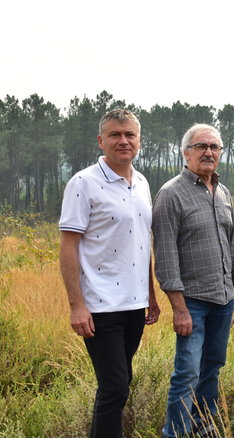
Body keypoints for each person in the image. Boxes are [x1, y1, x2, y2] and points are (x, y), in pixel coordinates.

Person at [59, 108, 160, 438]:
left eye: (130, 134)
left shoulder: (143, 183)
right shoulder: (83, 183)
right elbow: (69, 247)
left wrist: (151, 295)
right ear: (101, 140)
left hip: (134, 305)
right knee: (115, 387)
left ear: (139, 141)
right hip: (99, 306)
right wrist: (77, 305)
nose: (123, 141)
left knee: (117, 385)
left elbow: (142, 243)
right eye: (115, 135)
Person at [153, 124, 234, 438]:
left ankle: (203, 427)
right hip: (192, 302)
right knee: (187, 373)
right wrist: (179, 309)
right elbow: (165, 257)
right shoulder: (170, 194)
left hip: (223, 301)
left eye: (214, 147)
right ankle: (175, 433)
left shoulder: (223, 193)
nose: (208, 152)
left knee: (212, 368)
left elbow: (233, 247)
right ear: (186, 153)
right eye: (200, 146)